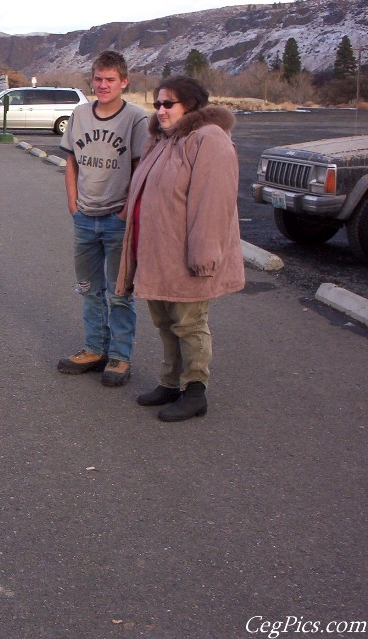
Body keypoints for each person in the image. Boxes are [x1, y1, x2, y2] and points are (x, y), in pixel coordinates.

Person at [116, 75, 245, 422]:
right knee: (164, 323)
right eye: (156, 104)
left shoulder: (209, 140)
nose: (159, 110)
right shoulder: (162, 140)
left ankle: (195, 390)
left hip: (187, 258)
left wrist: (204, 256)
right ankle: (170, 383)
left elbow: (213, 203)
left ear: (190, 105)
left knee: (189, 324)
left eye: (167, 104)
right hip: (157, 255)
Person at [57, 50, 149, 387]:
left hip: (117, 218)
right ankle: (95, 349)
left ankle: (120, 357)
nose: (103, 85)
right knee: (89, 288)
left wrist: (126, 210)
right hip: (84, 216)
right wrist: (72, 201)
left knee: (120, 291)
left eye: (111, 79)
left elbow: (141, 167)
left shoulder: (136, 119)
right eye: (98, 79)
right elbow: (70, 161)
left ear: (124, 82)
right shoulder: (80, 113)